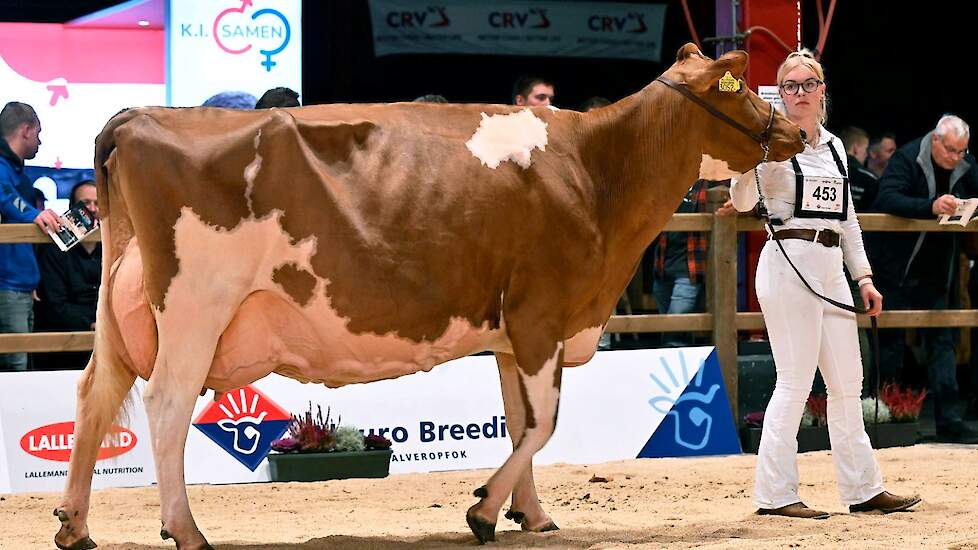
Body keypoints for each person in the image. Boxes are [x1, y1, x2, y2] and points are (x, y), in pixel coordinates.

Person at [730, 50, 919, 518]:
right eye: (789, 86)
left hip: (832, 265)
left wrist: (865, 277)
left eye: (807, 84)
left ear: (821, 91)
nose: (798, 93)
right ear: (780, 92)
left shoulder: (834, 146)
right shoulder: (768, 141)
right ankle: (776, 495)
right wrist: (749, 157)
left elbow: (847, 219)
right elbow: (740, 202)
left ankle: (863, 489)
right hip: (788, 261)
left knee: (848, 383)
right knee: (793, 383)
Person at [869, 114, 978, 443]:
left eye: (962, 151)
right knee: (891, 346)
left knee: (942, 343)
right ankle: (889, 420)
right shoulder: (906, 158)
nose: (956, 158)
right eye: (950, 151)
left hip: (936, 271)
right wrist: (929, 206)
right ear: (934, 141)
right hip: (896, 269)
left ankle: (949, 420)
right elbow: (886, 199)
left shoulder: (966, 163)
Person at [0, 101, 62, 371]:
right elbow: (4, 195)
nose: (40, 141)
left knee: (21, 365)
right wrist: (32, 215)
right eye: (38, 132)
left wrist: (31, 276)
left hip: (20, 284)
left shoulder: (14, 170)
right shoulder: (2, 168)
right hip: (9, 285)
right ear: (26, 130)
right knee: (15, 368)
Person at [33, 181, 101, 370]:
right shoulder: (53, 250)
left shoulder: (111, 248)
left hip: (105, 341)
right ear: (73, 207)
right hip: (62, 345)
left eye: (98, 203)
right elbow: (55, 304)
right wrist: (92, 323)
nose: (93, 209)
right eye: (86, 203)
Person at [839, 126, 879, 211]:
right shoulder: (870, 179)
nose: (866, 154)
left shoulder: (825, 170)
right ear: (855, 149)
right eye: (865, 149)